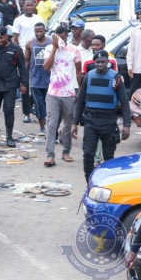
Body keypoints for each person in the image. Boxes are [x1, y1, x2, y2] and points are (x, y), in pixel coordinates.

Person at [70, 50, 131, 179]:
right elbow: (80, 101)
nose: (100, 64)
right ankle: (89, 181)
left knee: (108, 156)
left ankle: (108, 181)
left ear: (108, 62)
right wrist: (74, 123)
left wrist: (127, 125)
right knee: (88, 154)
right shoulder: (88, 77)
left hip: (108, 121)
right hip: (91, 121)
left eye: (103, 62)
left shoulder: (116, 79)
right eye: (97, 62)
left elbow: (125, 103)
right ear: (94, 63)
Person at [42, 26, 81, 167]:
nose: (61, 40)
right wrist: (54, 48)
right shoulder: (48, 49)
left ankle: (66, 152)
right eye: (58, 38)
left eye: (63, 37)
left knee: (67, 126)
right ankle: (50, 156)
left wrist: (79, 90)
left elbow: (78, 71)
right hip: (53, 93)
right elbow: (46, 67)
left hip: (69, 94)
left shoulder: (74, 50)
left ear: (67, 36)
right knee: (51, 125)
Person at [0, 26, 28, 146]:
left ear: (7, 36)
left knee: (9, 110)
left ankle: (9, 136)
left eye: (1, 38)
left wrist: (24, 84)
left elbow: (22, 68)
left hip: (10, 84)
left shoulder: (16, 49)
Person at [25, 23, 50, 136]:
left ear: (45, 31)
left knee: (49, 105)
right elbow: (26, 61)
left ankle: (50, 126)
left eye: (41, 31)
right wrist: (24, 78)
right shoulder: (30, 44)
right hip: (35, 80)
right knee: (39, 105)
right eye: (37, 31)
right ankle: (42, 127)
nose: (39, 33)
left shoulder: (51, 42)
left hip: (50, 80)